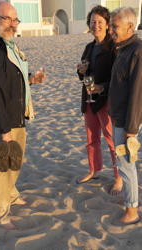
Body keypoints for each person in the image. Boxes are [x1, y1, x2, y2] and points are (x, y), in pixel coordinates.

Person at [0, 1, 45, 230]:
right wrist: (4, 129)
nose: (13, 24)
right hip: (0, 120)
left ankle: (12, 194)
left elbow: (11, 79)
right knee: (0, 166)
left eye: (16, 19)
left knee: (14, 160)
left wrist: (31, 79)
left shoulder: (8, 44)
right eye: (8, 19)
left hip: (16, 114)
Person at [76, 5, 122, 193]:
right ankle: (94, 169)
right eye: (93, 22)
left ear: (107, 24)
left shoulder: (113, 46)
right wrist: (81, 71)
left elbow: (119, 77)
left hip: (107, 100)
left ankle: (119, 177)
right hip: (89, 98)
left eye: (100, 22)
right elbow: (83, 74)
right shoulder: (89, 47)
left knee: (112, 140)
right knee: (91, 137)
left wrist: (102, 87)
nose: (96, 25)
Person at [109, 7, 142, 224]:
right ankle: (133, 202)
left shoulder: (137, 51)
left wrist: (131, 129)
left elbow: (138, 93)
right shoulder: (122, 48)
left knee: (126, 164)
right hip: (119, 116)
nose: (111, 30)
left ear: (130, 26)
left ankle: (132, 211)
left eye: (115, 26)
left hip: (126, 121)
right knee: (126, 164)